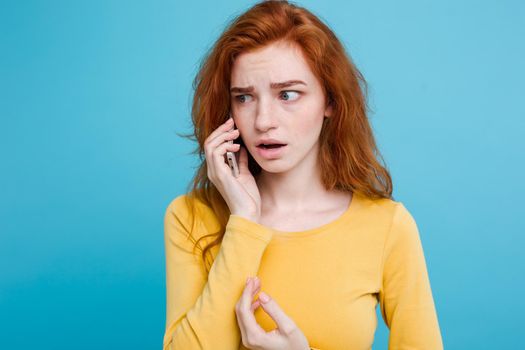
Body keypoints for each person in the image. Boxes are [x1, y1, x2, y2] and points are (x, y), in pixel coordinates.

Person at [163, 1, 443, 349]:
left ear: (330, 101)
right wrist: (245, 222)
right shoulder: (190, 218)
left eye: (288, 94)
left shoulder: (387, 227)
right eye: (245, 97)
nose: (264, 120)